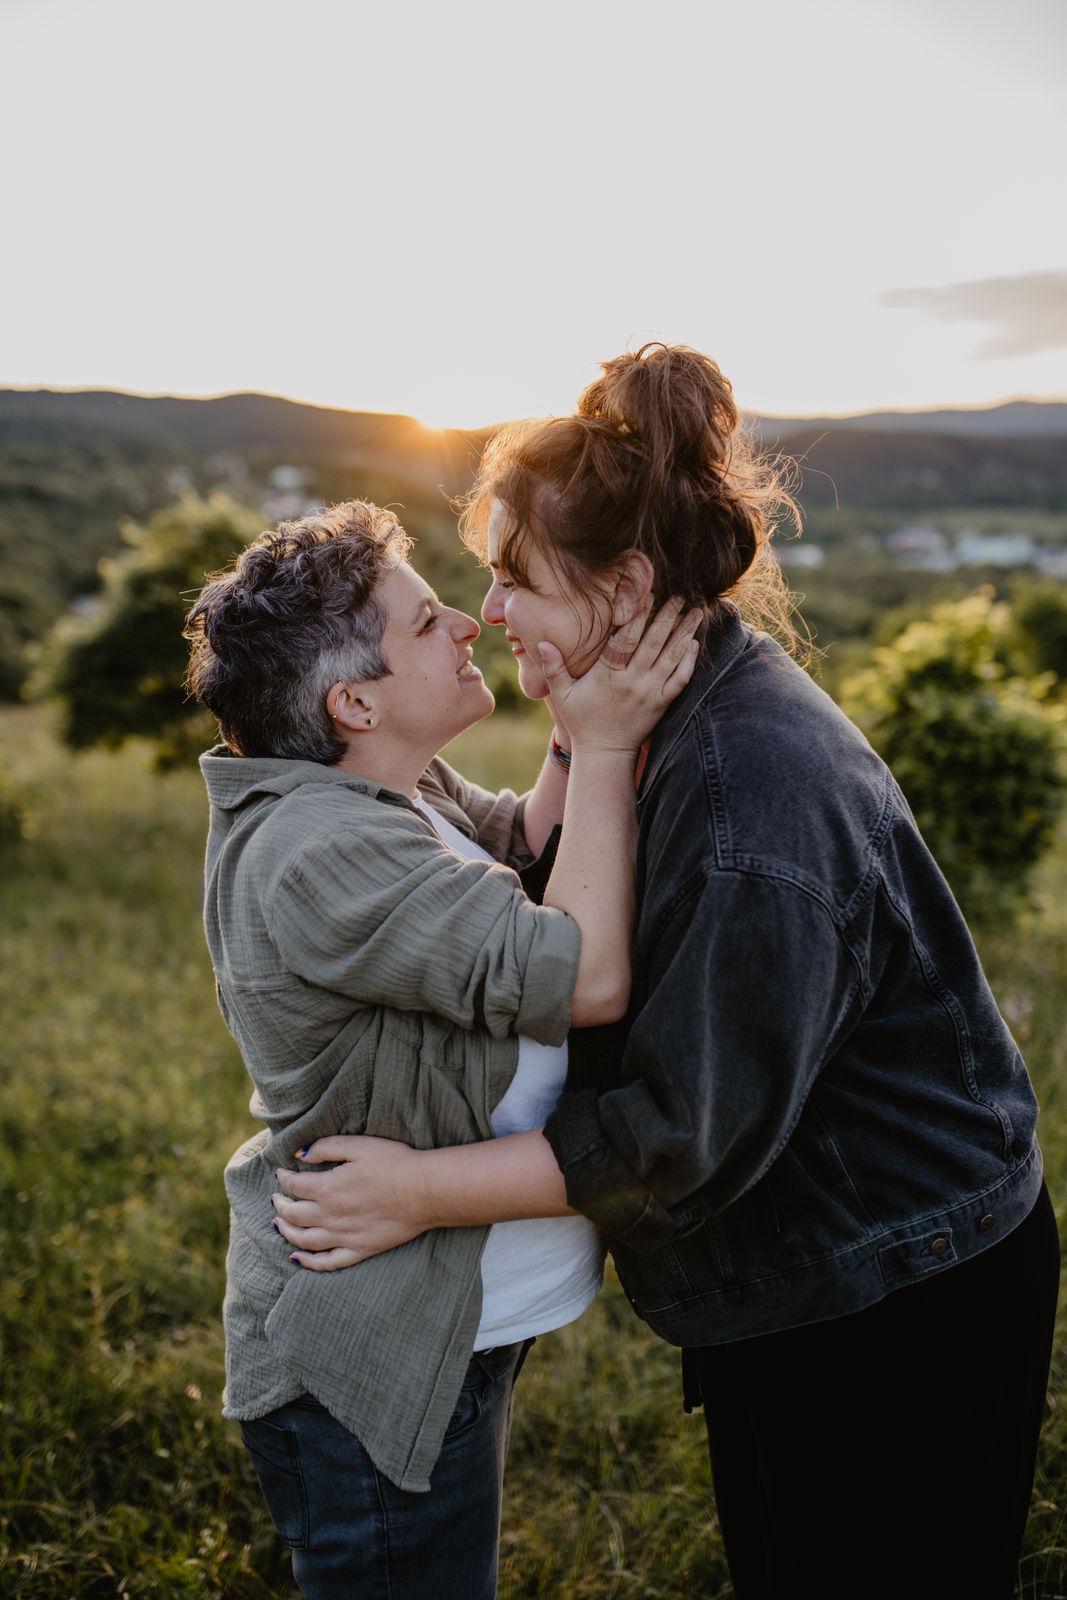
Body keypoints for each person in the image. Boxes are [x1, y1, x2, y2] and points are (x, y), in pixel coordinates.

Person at [270, 347, 1060, 1600]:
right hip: (816, 1268)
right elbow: (525, 885)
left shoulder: (752, 795)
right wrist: (578, 740)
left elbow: (676, 1136)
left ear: (625, 583)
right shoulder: (643, 722)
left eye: (514, 576)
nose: (488, 612)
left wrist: (421, 1192)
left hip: (895, 1289)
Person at [183, 497, 699, 1600]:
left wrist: (567, 724)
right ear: (352, 700)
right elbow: (586, 972)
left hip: (450, 1317)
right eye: (426, 624)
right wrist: (608, 744)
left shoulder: (379, 787)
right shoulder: (316, 849)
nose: (467, 623)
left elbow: (520, 854)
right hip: (368, 1349)